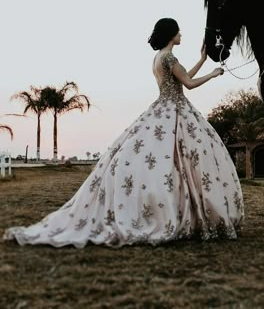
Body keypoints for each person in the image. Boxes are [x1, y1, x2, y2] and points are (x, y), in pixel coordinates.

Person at [4, 18, 244, 248]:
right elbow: (189, 84)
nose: (181, 34)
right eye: (179, 31)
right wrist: (214, 74)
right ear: (171, 33)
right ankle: (181, 212)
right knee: (182, 163)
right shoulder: (169, 57)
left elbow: (184, 77)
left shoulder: (159, 58)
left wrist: (202, 59)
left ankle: (179, 211)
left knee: (173, 164)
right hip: (176, 110)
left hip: (163, 109)